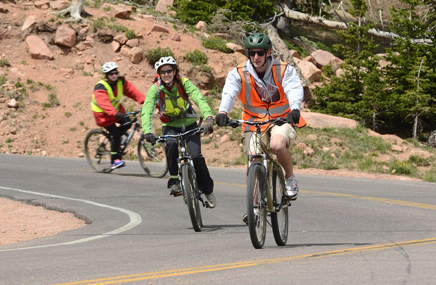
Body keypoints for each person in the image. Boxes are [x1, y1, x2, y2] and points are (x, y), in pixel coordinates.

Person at [215, 32, 306, 210]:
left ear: (268, 53)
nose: (256, 57)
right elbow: (229, 92)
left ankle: (289, 178)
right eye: (252, 53)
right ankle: (255, 207)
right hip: (253, 122)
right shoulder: (239, 73)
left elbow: (294, 88)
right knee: (253, 159)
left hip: (282, 119)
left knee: (277, 145)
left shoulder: (283, 69)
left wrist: (295, 108)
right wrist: (223, 112)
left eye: (260, 53)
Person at [141, 56, 217, 208]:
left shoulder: (183, 83)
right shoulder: (155, 88)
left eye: (169, 71)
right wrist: (147, 131)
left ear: (175, 71)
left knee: (196, 156)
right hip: (170, 126)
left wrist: (209, 117)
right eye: (163, 72)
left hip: (189, 124)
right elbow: (147, 108)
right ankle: (174, 179)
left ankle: (207, 190)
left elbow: (199, 98)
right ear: (159, 74)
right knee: (170, 144)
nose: (166, 74)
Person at [91, 62, 146, 170]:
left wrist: (146, 101)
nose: (114, 75)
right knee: (116, 134)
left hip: (115, 111)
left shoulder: (121, 82)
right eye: (111, 74)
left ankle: (115, 141)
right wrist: (115, 113)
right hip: (102, 115)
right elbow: (104, 103)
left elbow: (133, 92)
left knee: (128, 123)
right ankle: (114, 160)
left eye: (116, 72)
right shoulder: (100, 86)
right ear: (106, 75)